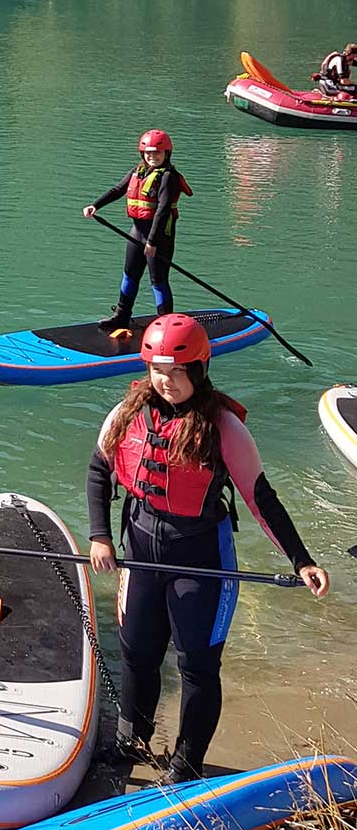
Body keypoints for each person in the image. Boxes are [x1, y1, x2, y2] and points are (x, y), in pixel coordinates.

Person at [84, 315, 330, 784]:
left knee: (196, 666)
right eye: (158, 370)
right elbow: (99, 472)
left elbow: (262, 499)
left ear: (198, 369)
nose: (166, 381)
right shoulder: (128, 413)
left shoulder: (222, 428)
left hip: (201, 561)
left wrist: (301, 560)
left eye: (177, 372)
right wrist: (100, 536)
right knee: (137, 653)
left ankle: (187, 763)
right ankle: (131, 741)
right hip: (139, 552)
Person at [83, 130, 193, 334]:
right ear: (142, 154)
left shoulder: (168, 177)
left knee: (158, 280)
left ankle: (166, 325)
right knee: (130, 275)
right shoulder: (138, 171)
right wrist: (95, 205)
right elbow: (118, 189)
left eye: (157, 153)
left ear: (166, 154)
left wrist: (152, 242)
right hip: (137, 233)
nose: (152, 157)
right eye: (148, 153)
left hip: (159, 238)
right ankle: (121, 317)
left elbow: (162, 211)